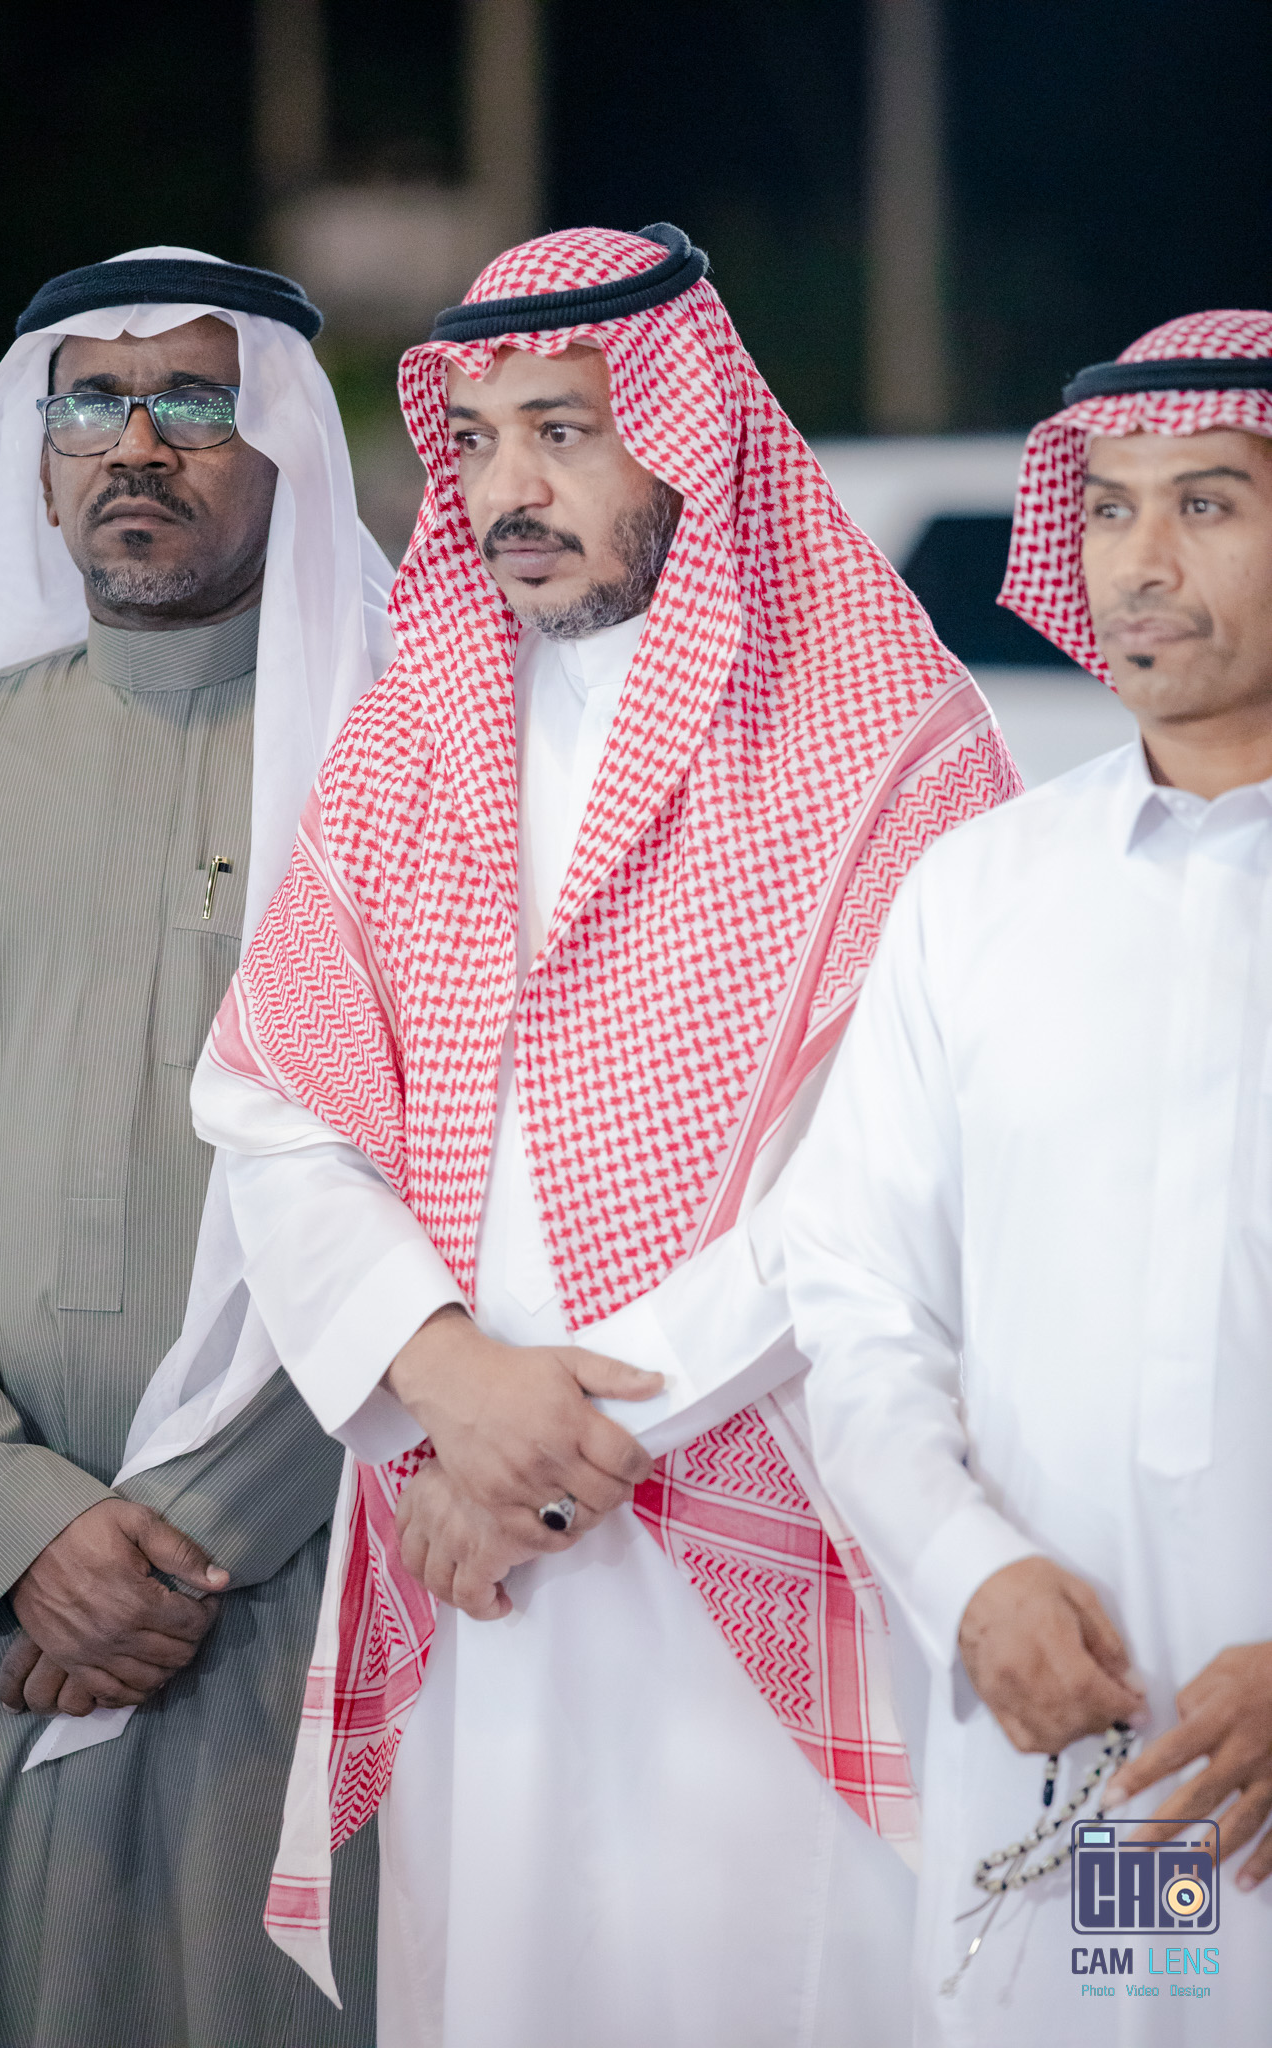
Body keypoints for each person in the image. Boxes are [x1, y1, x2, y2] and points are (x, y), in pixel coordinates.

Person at [183, 223, 1020, 2045]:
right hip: (465, 1516)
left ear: (687, 440)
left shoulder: (887, 745)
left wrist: (550, 1447)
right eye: (476, 442)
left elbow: (889, 1168)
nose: (508, 490)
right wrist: (445, 1381)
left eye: (561, 431)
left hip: (769, 1487)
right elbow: (274, 1102)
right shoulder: (407, 747)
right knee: (502, 1971)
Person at [0, 246, 394, 2048]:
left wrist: (193, 1536)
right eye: (92, 408)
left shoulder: (396, 764)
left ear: (284, 446)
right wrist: (11, 1515)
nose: (137, 445)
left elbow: (462, 1195)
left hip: (304, 1574)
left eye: (195, 400)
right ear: (35, 465)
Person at [781, 309, 1272, 2044]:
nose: (1138, 563)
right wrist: (966, 1570)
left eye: (1204, 504)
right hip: (1080, 1723)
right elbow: (856, 1295)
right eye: (1109, 509)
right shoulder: (978, 897)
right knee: (1114, 2012)